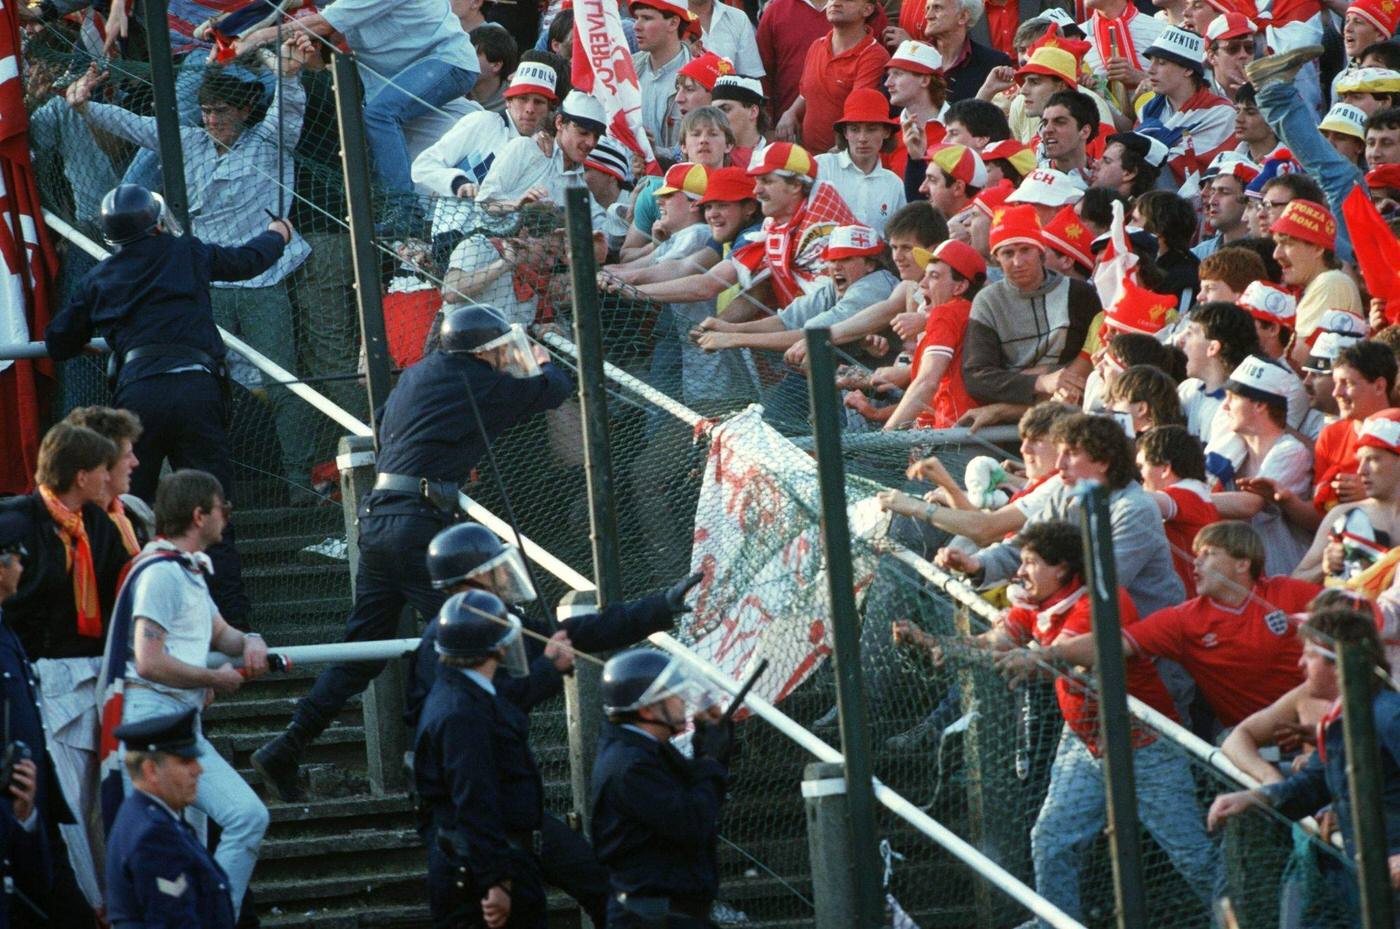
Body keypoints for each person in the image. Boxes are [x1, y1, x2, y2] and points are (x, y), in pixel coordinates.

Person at [252, 306, 573, 803]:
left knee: (363, 648)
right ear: (484, 351)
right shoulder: (477, 380)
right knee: (481, 637)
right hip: (417, 524)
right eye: (497, 349)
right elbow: (555, 389)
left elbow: (385, 425)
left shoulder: (419, 374)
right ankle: (453, 760)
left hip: (379, 520)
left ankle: (288, 743)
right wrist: (540, 359)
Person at [405, 522, 703, 927]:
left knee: (599, 885)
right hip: (478, 828)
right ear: (473, 577)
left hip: (512, 814)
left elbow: (569, 635)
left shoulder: (491, 621)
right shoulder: (449, 645)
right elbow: (477, 724)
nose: (503, 578)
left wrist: (656, 609)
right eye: (495, 569)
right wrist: (547, 671)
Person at [929, 520, 1218, 928]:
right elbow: (998, 642)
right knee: (1050, 839)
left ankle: (1242, 919)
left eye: (1030, 562)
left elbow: (1069, 657)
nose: (1020, 572)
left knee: (1191, 853)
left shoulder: (1098, 601)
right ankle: (1055, 923)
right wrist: (941, 645)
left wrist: (1033, 659)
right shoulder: (1037, 602)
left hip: (1143, 742)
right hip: (1084, 744)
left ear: (1062, 568)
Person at [45, 184, 294, 628]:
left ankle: (133, 621)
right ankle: (233, 624)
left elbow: (57, 340)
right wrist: (278, 233)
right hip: (197, 390)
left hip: (139, 397)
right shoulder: (187, 252)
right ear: (157, 221)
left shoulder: (100, 278)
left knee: (130, 511)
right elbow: (248, 261)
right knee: (211, 505)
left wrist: (98, 338)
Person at [119, 469, 271, 919]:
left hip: (178, 722)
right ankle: (216, 917)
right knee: (247, 817)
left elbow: (223, 635)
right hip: (155, 722)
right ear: (199, 514)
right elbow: (148, 661)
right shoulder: (162, 573)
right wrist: (211, 679)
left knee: (189, 844)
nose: (228, 516)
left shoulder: (187, 571)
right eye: (223, 507)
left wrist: (253, 640)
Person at [1207, 606, 1400, 926]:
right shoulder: (1345, 713)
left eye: (1309, 655)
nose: (1299, 663)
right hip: (1366, 880)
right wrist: (1259, 798)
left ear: (1337, 664)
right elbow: (1316, 781)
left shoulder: (1388, 715)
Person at [1046, 520, 1320, 730]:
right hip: (1253, 740)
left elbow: (1357, 612)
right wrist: (1043, 656)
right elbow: (1110, 645)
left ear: (1242, 564)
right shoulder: (1183, 620)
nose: (1195, 563)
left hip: (1321, 726)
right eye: (1195, 555)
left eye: (1209, 554)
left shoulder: (1288, 593)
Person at [235, 0, 480, 228]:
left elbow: (322, 23)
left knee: (379, 115)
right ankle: (398, 212)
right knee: (374, 128)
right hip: (398, 81)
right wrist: (231, 28)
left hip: (447, 61)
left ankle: (404, 210)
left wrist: (256, 36)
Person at [937, 412, 1184, 617]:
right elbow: (1022, 545)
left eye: (1072, 453)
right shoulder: (1066, 496)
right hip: (1080, 634)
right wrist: (977, 565)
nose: (1060, 464)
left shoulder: (1135, 509)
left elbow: (1102, 586)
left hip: (1139, 655)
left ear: (1103, 461)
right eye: (1060, 452)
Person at [414, 590, 549, 929]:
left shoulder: (457, 694)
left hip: (477, 860)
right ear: (498, 649)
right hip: (479, 871)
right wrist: (496, 880)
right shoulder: (464, 712)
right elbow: (475, 798)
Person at [591, 649, 734, 928]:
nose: (683, 702)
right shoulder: (631, 765)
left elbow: (691, 792)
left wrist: (706, 748)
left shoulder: (643, 749)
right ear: (647, 708)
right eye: (675, 696)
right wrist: (711, 761)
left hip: (667, 913)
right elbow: (691, 821)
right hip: (653, 917)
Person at [962, 205, 1100, 418]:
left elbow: (1094, 359)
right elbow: (977, 378)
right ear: (996, 258)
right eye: (1008, 253)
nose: (1018, 262)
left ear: (1040, 251)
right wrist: (1042, 381)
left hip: (1071, 413)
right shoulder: (988, 300)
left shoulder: (1079, 294)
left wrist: (1021, 380)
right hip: (1012, 423)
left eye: (1025, 250)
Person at [106, 708, 234, 929]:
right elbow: (174, 921)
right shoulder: (154, 835)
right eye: (186, 761)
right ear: (151, 770)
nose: (198, 769)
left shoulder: (144, 814)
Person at [411, 60, 561, 246]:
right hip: (446, 237)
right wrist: (458, 182)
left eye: (538, 102)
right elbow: (422, 166)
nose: (529, 109)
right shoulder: (482, 122)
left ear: (549, 110)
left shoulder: (544, 153)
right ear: (508, 101)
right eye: (522, 99)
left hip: (499, 248)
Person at [777, 0, 889, 155]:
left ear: (867, 9)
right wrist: (791, 112)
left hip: (844, 161)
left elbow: (859, 111)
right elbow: (806, 93)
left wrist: (842, 150)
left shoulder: (873, 56)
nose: (835, 2)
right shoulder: (817, 46)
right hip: (809, 158)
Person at [816, 89, 907, 234]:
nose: (862, 138)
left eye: (871, 129)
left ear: (886, 132)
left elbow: (898, 236)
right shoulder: (821, 167)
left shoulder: (894, 184)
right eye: (854, 129)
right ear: (845, 133)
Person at [62, 406, 150, 556]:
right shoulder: (61, 532)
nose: (135, 462)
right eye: (127, 455)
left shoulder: (133, 512)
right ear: (102, 464)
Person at [922, 0, 1011, 103]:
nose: (928, 16)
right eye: (927, 8)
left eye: (937, 8)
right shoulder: (914, 57)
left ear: (963, 17)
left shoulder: (994, 64)